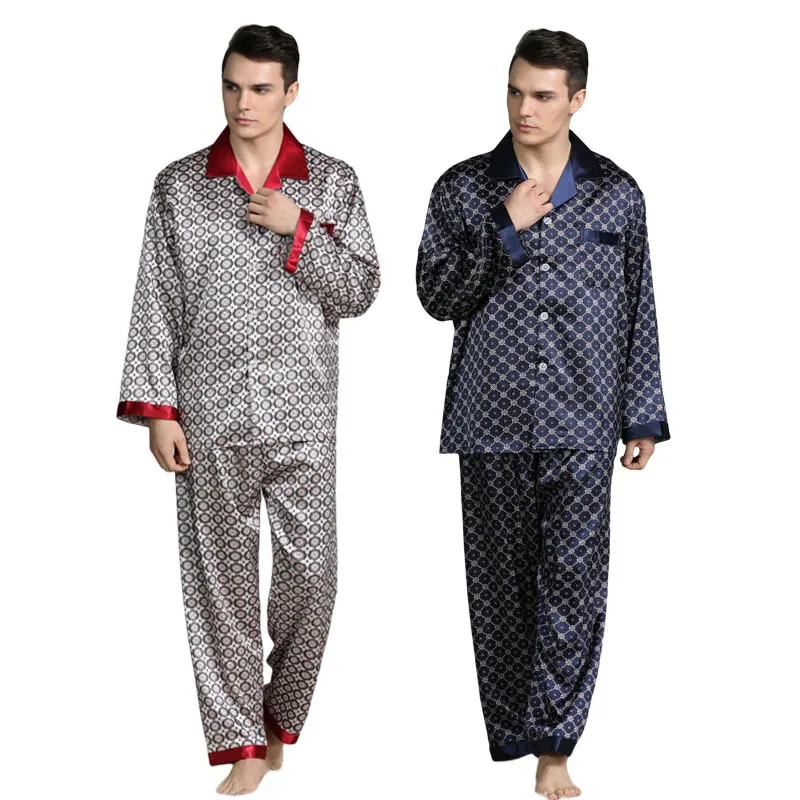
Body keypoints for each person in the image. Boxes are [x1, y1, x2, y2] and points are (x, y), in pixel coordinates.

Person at [116, 24, 380, 796]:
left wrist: (300, 231)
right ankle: (241, 746)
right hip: (208, 413)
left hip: (304, 413)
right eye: (232, 86)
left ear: (291, 92)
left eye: (261, 88)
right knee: (219, 587)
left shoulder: (332, 182)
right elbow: (155, 301)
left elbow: (361, 290)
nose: (243, 103)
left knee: (314, 575)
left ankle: (277, 718)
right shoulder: (178, 186)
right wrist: (160, 411)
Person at [415, 28, 670, 800]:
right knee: (499, 589)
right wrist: (505, 231)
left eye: (543, 95)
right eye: (515, 91)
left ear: (577, 100)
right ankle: (512, 731)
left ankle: (555, 746)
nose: (524, 108)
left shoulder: (617, 193)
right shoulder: (463, 188)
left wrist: (642, 415)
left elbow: (639, 305)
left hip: (585, 418)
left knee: (573, 582)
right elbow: (436, 296)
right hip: (488, 420)